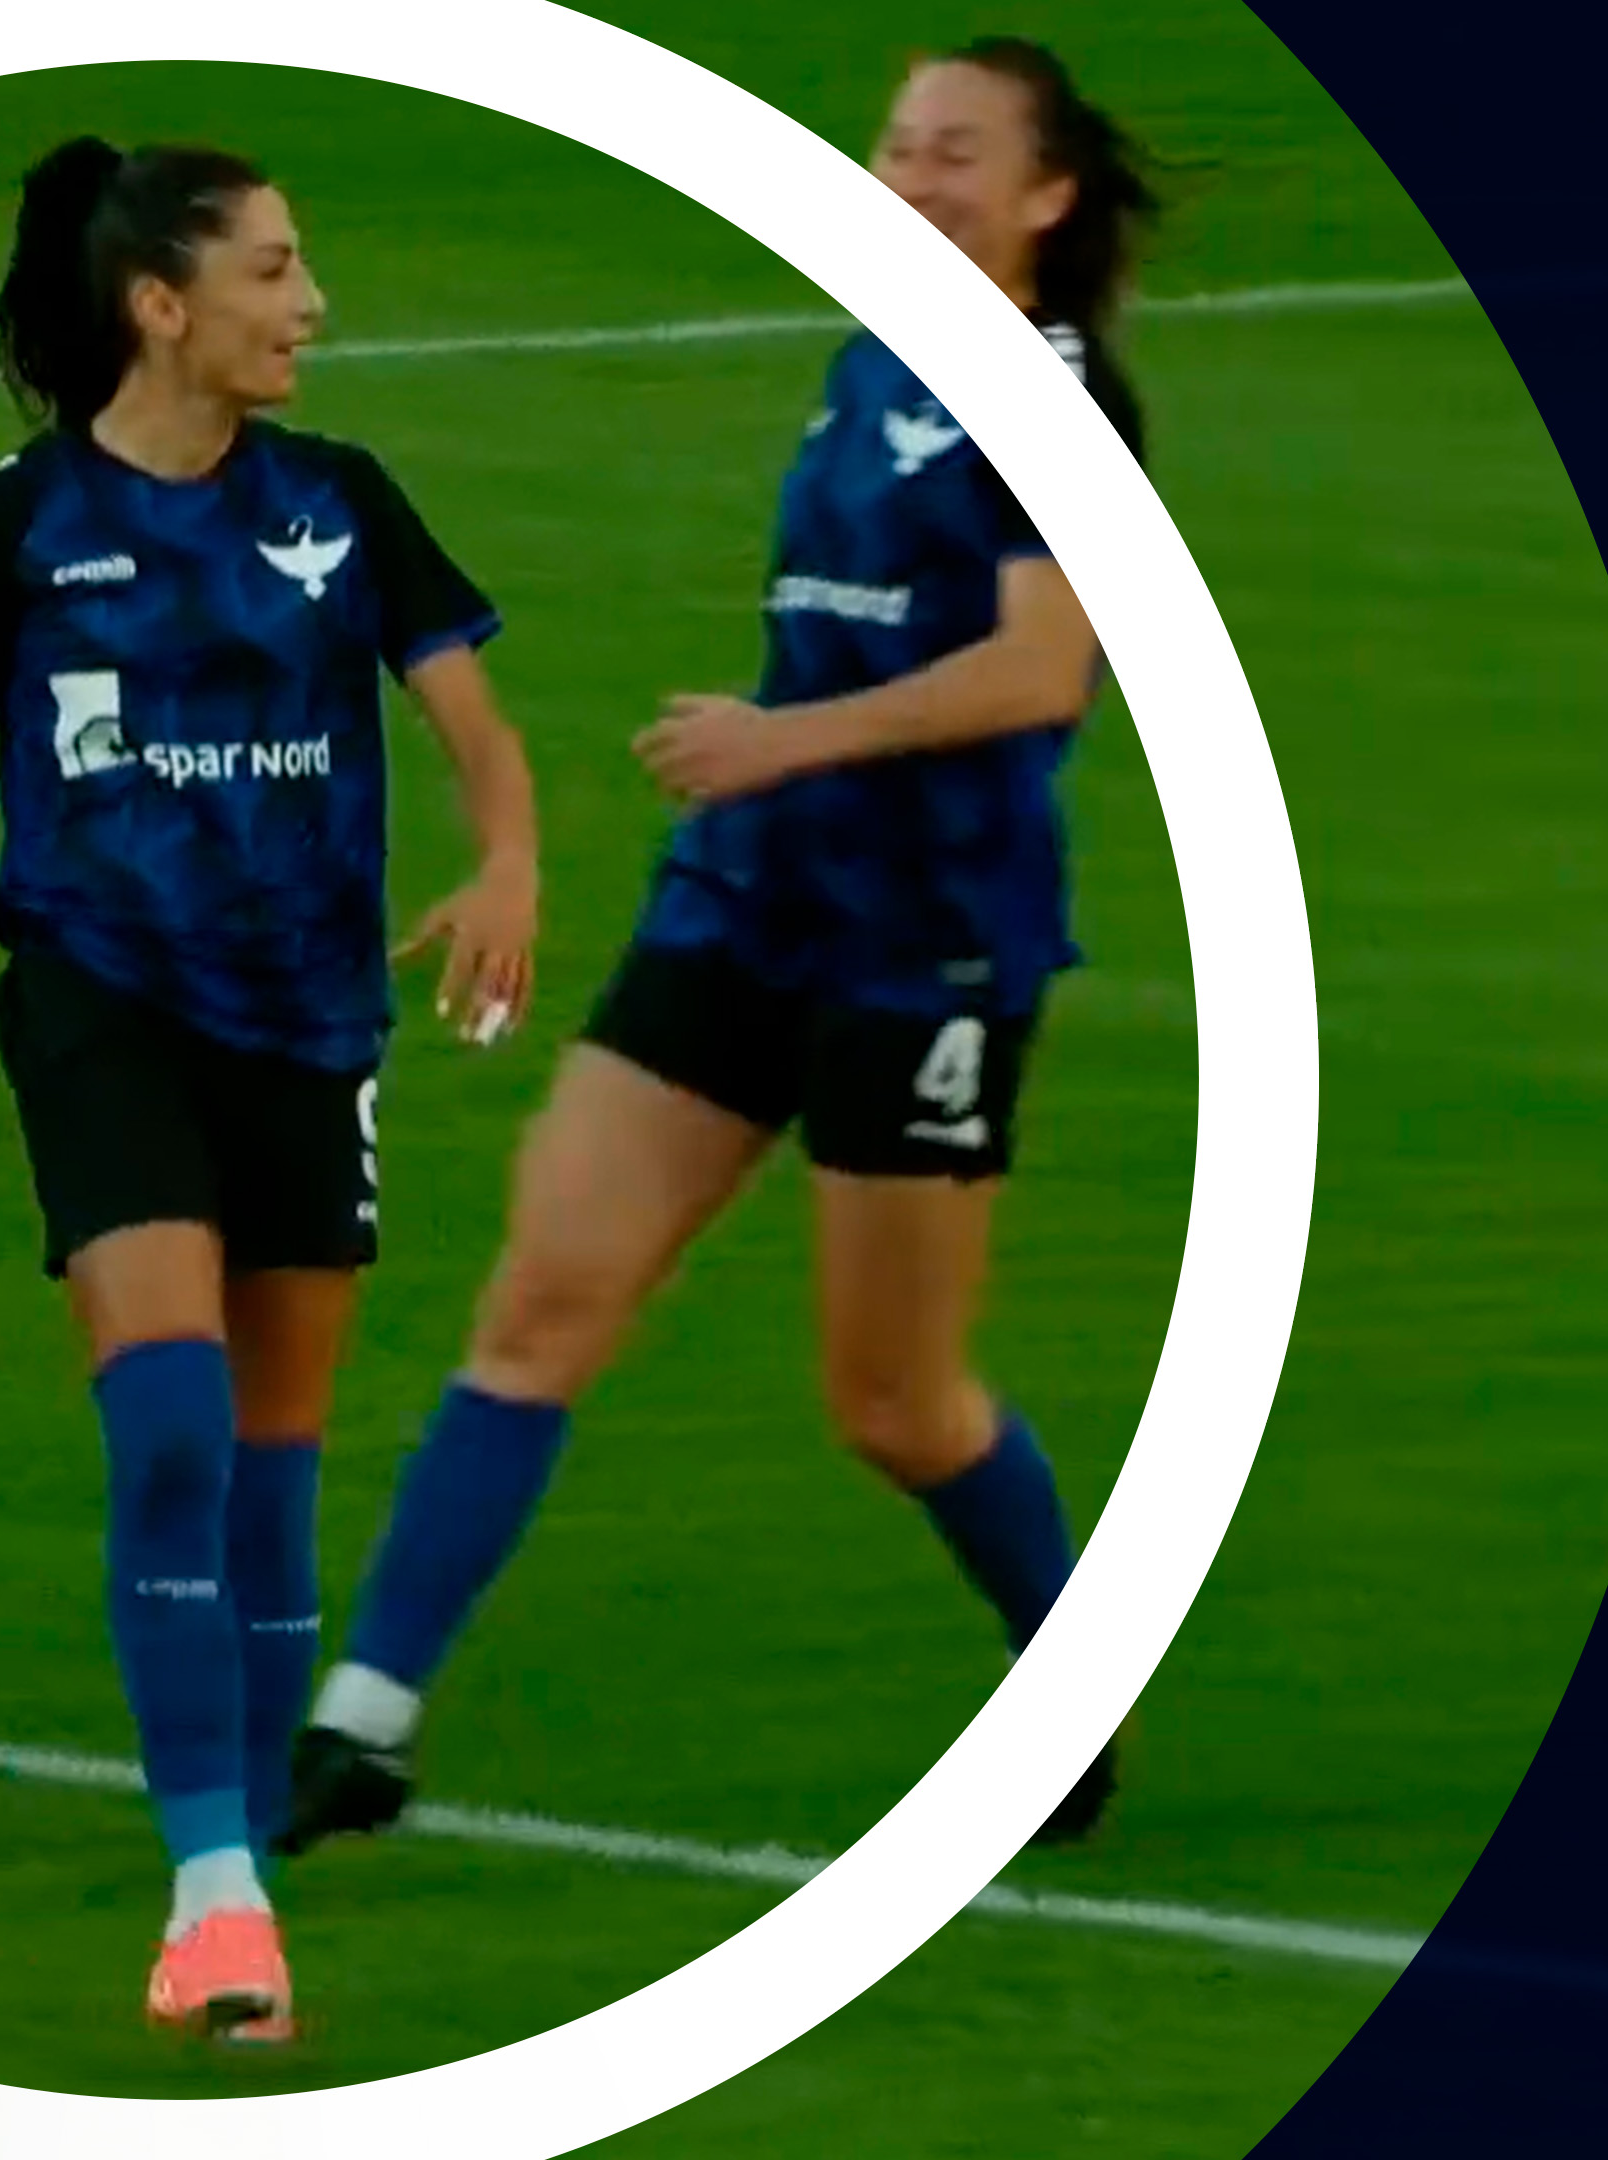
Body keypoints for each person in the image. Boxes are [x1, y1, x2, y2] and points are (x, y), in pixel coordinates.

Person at [278, 37, 1158, 1862]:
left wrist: (788, 740)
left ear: (1048, 194)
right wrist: (775, 775)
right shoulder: (876, 355)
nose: (911, 176)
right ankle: (362, 1722)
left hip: (927, 943)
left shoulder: (1060, 400)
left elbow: (1043, 669)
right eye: (897, 142)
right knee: (544, 1296)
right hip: (750, 901)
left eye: (959, 151)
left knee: (893, 1399)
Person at [0, 136, 542, 2042]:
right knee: (169, 1427)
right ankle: (214, 1890)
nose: (311, 305)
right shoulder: (9, 525)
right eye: (274, 269)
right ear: (162, 304)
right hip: (102, 1006)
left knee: (274, 1462)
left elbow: (476, 726)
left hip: (308, 1023)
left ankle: (240, 1871)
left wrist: (507, 863)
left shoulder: (341, 501)